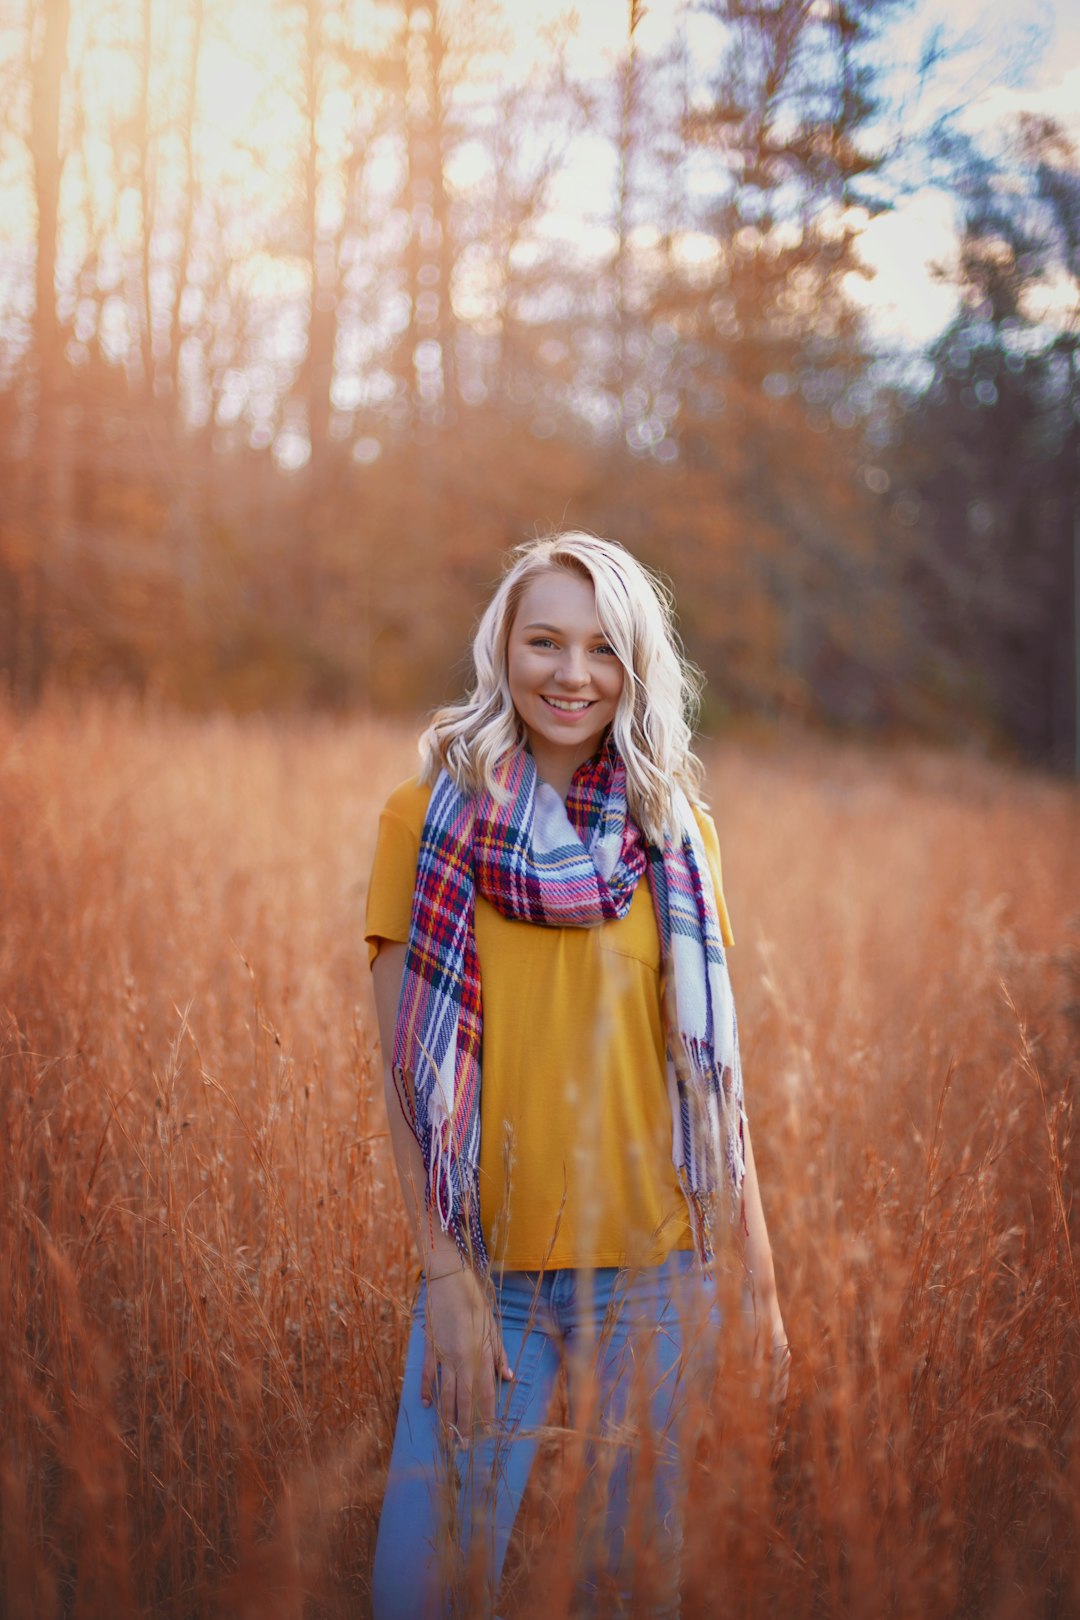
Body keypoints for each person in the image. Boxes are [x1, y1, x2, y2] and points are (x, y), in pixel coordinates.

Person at [365, 532, 788, 1619]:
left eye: (603, 649)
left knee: (626, 1590)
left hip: (656, 1280)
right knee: (423, 1590)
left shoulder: (677, 836)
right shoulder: (424, 822)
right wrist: (445, 1275)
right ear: (501, 648)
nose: (571, 673)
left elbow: (711, 1084)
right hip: (489, 1276)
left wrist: (763, 1285)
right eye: (544, 640)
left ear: (635, 666)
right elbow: (408, 1084)